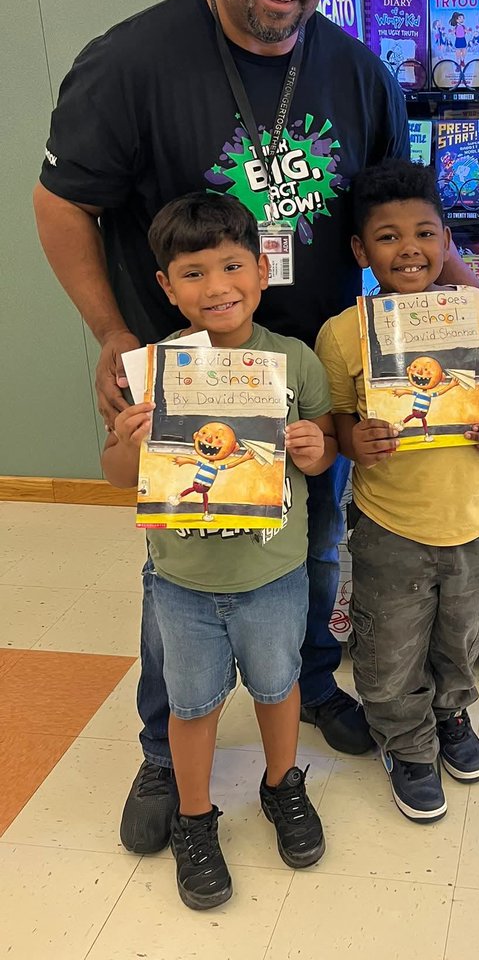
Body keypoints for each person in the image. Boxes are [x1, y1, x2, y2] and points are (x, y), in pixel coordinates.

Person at [33, 0, 479, 854]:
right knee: (182, 566)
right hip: (195, 382)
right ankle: (160, 748)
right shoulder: (131, 62)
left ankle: (302, 682)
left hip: (323, 377)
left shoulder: (358, 72)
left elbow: (401, 212)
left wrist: (475, 298)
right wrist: (114, 333)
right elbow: (61, 203)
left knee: (312, 548)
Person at [103, 192, 336, 909]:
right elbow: (114, 473)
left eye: (232, 266)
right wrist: (131, 443)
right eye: (193, 273)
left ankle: (282, 785)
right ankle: (194, 817)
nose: (216, 286)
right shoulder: (154, 369)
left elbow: (325, 450)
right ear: (166, 287)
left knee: (278, 685)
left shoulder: (294, 360)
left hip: (274, 573)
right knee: (192, 703)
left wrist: (315, 447)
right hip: (183, 580)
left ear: (263, 270)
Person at [315, 161, 479, 822]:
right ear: (360, 250)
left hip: (477, 520)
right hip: (390, 526)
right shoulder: (343, 332)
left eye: (424, 233)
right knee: (388, 647)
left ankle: (451, 715)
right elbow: (338, 418)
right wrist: (355, 441)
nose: (409, 249)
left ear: (446, 241)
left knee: (462, 634)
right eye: (388, 237)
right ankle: (406, 743)